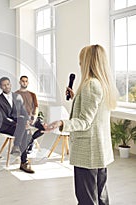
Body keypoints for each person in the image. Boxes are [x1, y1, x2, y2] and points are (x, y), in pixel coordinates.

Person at [45, 45, 118, 205]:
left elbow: (85, 121)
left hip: (88, 152)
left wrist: (61, 123)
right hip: (99, 151)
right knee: (101, 196)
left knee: (87, 199)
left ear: (88, 62)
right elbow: (95, 114)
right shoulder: (102, 84)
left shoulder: (90, 85)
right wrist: (76, 96)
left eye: (81, 62)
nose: (79, 65)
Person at [0, 77, 44, 174]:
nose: (6, 86)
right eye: (4, 85)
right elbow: (3, 118)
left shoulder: (17, 97)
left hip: (20, 123)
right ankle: (24, 162)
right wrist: (19, 123)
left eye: (8, 84)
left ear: (10, 84)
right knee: (23, 130)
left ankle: (22, 144)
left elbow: (24, 112)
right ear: (0, 86)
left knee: (40, 124)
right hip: (6, 126)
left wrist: (28, 121)